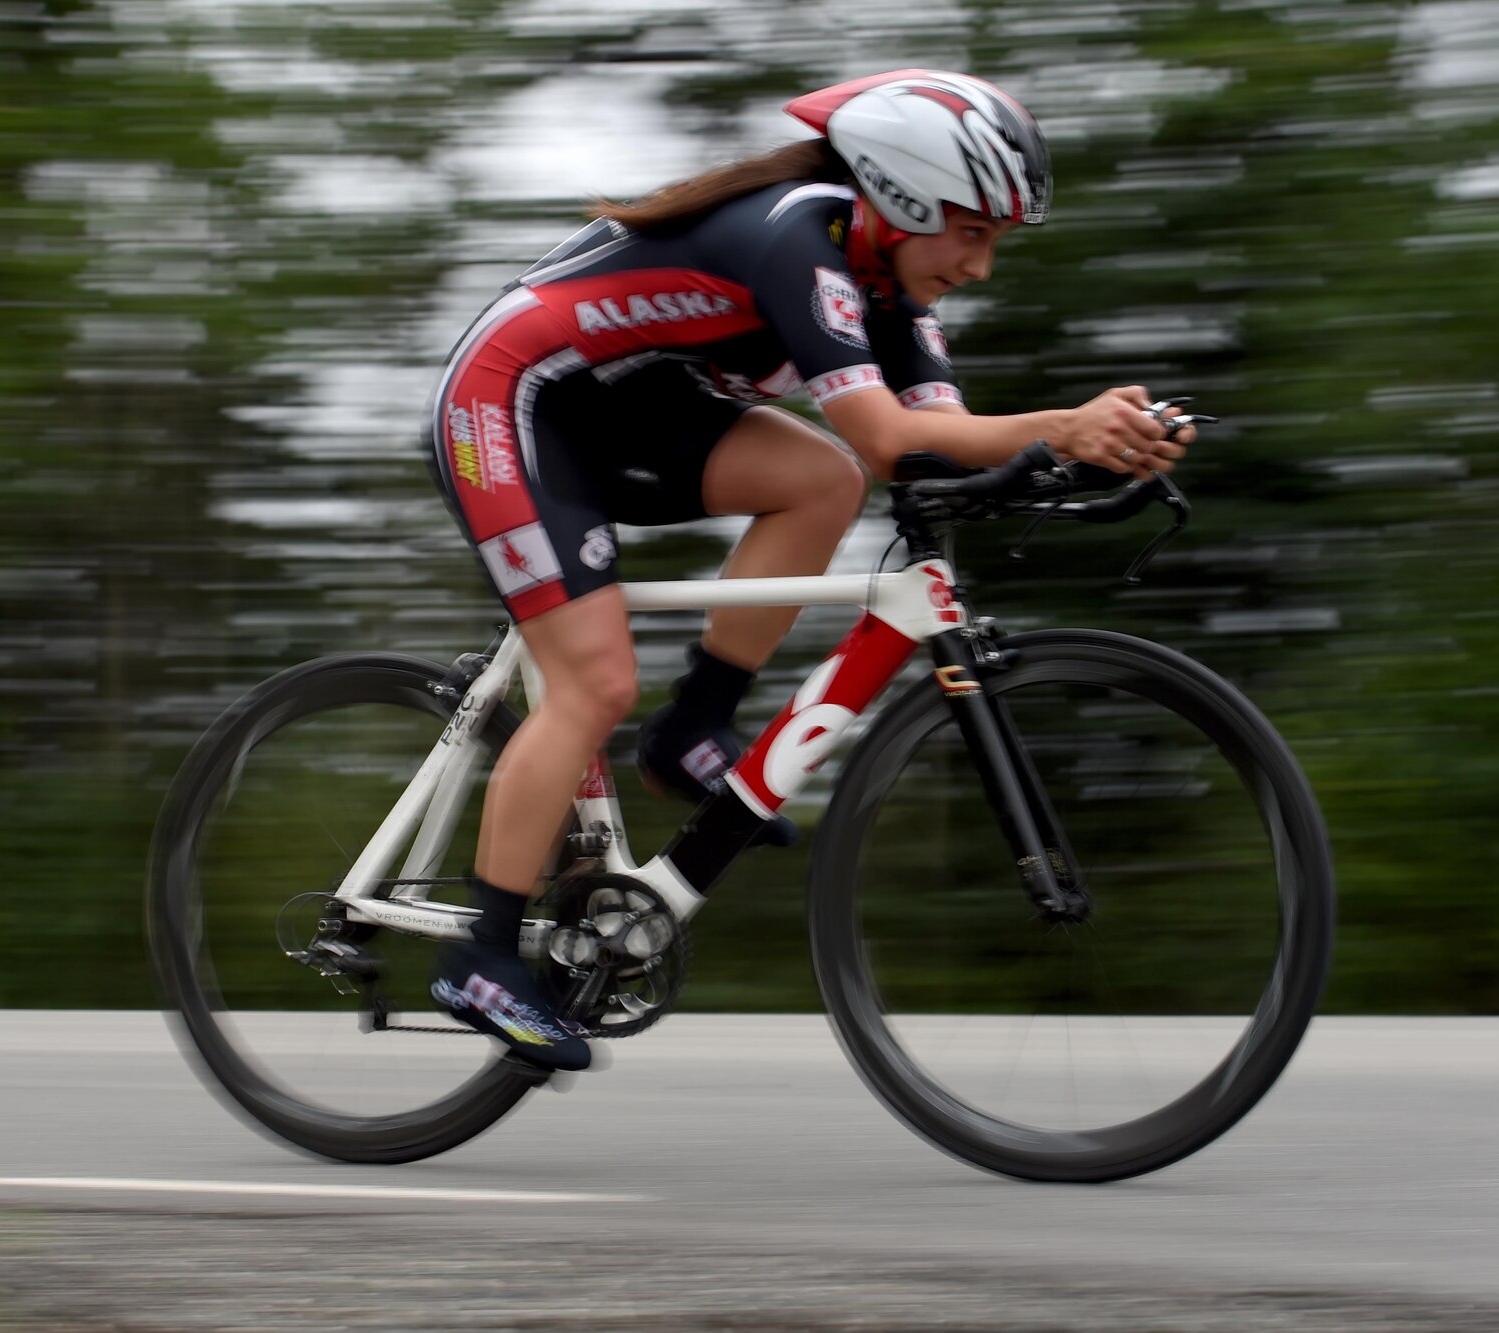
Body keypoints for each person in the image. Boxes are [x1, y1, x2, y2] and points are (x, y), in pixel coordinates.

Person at [421, 69, 1197, 1071]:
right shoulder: (803, 237)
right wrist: (1061, 424)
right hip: (511, 402)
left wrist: (1071, 456)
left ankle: (691, 725)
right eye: (972, 232)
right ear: (908, 194)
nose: (980, 266)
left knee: (817, 481)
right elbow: (887, 436)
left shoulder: (888, 285)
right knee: (594, 680)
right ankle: (482, 957)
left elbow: (937, 439)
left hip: (625, 411)